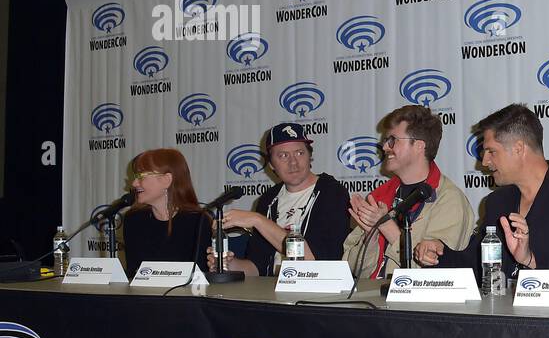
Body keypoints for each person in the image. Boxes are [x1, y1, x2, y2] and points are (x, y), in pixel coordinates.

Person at [415, 104, 549, 278]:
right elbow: (475, 264)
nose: (484, 162)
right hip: (505, 316)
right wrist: (439, 253)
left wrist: (531, 259)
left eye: (491, 151)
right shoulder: (497, 202)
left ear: (518, 149)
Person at [341, 104, 474, 279]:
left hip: (417, 304)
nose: (385, 147)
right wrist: (370, 238)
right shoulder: (379, 197)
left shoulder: (449, 199)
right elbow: (352, 270)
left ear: (419, 146)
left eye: (392, 140)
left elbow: (433, 275)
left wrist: (385, 226)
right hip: (372, 298)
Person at [208, 123, 351, 277]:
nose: (293, 162)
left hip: (316, 294)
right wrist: (228, 264)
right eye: (283, 155)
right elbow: (257, 268)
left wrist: (258, 220)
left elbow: (314, 264)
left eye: (299, 153)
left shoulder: (332, 192)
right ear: (271, 165)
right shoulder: (268, 200)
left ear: (310, 156)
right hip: (272, 293)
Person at [121, 148, 211, 278]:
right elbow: (134, 273)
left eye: (141, 176)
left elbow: (201, 276)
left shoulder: (198, 220)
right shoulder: (133, 219)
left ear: (166, 180)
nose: (134, 183)